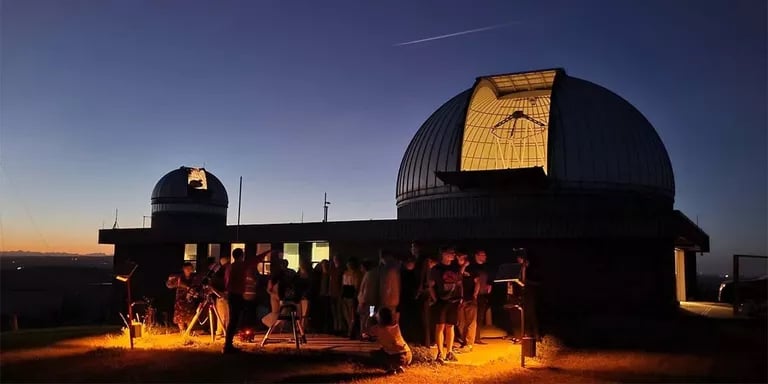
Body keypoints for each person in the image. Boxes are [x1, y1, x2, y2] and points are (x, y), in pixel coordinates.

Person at [429, 247, 462, 363]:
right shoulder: (436, 269)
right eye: (450, 253)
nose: (453, 255)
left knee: (450, 326)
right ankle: (440, 353)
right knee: (440, 326)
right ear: (443, 254)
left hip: (454, 300)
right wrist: (435, 299)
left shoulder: (455, 268)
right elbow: (431, 285)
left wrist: (460, 297)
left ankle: (449, 352)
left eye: (453, 253)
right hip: (441, 301)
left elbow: (459, 283)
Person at [367, 307, 412, 374]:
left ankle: (390, 368)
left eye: (377, 315)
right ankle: (399, 367)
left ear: (380, 318)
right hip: (408, 355)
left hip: (396, 358)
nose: (376, 315)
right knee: (384, 349)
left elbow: (367, 327)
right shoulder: (396, 326)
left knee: (375, 354)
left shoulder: (377, 329)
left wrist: (371, 312)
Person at [223, 248, 247, 353]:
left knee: (233, 319)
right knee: (234, 320)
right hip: (237, 294)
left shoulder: (230, 267)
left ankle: (228, 344)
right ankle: (228, 345)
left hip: (232, 294)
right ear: (241, 256)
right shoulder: (241, 266)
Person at [456, 250, 480, 353]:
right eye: (459, 258)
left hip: (470, 298)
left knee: (470, 322)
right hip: (459, 299)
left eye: (462, 257)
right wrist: (463, 267)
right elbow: (458, 278)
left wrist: (475, 295)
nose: (460, 259)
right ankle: (463, 342)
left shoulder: (472, 269)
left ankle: (469, 344)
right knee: (460, 323)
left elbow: (477, 282)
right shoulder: (457, 269)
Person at [166, 262, 198, 333]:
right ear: (183, 269)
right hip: (180, 300)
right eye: (187, 269)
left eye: (190, 268)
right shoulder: (179, 277)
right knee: (180, 316)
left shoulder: (194, 277)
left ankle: (189, 331)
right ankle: (182, 331)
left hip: (190, 300)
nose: (189, 270)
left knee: (190, 316)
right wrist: (183, 286)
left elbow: (197, 286)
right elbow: (169, 285)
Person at [413, 241, 434, 347]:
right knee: (422, 317)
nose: (412, 249)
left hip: (423, 291)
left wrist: (419, 290)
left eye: (413, 247)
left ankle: (426, 342)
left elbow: (422, 276)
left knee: (424, 317)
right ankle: (423, 341)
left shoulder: (423, 260)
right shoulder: (419, 260)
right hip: (422, 290)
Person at [399, 255, 420, 343]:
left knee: (412, 319)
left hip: (412, 299)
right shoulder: (402, 274)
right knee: (405, 319)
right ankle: (405, 337)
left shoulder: (414, 274)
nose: (412, 264)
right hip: (404, 299)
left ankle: (411, 337)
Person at [473, 250, 491, 344]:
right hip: (474, 295)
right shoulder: (473, 267)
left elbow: (487, 279)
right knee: (472, 318)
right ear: (477, 256)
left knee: (480, 317)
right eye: (483, 255)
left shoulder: (485, 267)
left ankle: (477, 337)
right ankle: (470, 338)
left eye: (485, 255)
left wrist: (489, 285)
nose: (485, 257)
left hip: (483, 294)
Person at [357, 259, 379, 340]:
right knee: (370, 316)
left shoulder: (368, 275)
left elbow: (366, 289)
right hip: (371, 302)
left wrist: (363, 301)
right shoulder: (371, 275)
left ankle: (365, 334)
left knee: (365, 318)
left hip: (367, 302)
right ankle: (368, 333)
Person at [341, 257, 362, 339]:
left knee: (352, 314)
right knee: (346, 314)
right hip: (346, 294)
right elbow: (343, 284)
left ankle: (351, 332)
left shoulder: (357, 274)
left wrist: (354, 295)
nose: (349, 265)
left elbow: (357, 286)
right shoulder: (345, 273)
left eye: (351, 264)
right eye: (348, 264)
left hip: (352, 295)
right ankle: (350, 330)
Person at [378, 250, 400, 321]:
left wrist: (383, 300)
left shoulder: (387, 270)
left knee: (386, 320)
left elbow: (386, 287)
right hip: (394, 300)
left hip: (387, 301)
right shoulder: (396, 269)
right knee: (392, 319)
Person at [210, 256, 230, 337]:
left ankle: (222, 331)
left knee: (224, 315)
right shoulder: (223, 272)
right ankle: (223, 331)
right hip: (222, 295)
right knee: (224, 314)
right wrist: (220, 293)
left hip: (223, 295)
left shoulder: (219, 272)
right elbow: (213, 285)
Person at [328, 254, 345, 334]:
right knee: (334, 312)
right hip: (332, 293)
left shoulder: (342, 270)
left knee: (339, 312)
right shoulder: (332, 270)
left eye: (337, 259)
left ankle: (340, 328)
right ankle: (336, 327)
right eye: (335, 259)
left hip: (338, 294)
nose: (336, 260)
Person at [294, 259, 312, 332]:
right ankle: (298, 327)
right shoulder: (297, 275)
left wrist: (306, 293)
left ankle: (303, 327)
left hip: (306, 296)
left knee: (305, 312)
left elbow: (311, 286)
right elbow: (294, 285)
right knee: (299, 313)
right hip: (298, 296)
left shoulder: (309, 275)